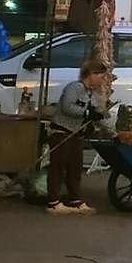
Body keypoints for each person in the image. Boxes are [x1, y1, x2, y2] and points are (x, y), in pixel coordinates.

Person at [46, 56, 111, 213]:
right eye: (101, 77)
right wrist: (87, 113)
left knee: (75, 168)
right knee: (58, 166)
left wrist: (112, 132)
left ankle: (75, 200)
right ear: (92, 74)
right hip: (61, 132)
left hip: (77, 135)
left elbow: (98, 116)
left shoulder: (92, 94)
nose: (102, 81)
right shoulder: (74, 88)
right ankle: (53, 203)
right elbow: (68, 107)